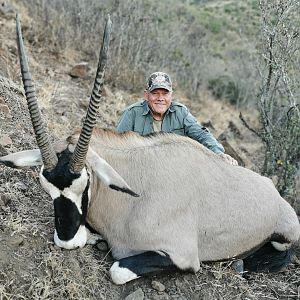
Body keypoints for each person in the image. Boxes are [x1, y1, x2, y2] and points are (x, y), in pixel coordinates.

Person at [117, 72, 238, 165]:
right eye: (155, 93)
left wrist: (219, 153)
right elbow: (118, 146)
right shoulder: (131, 113)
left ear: (171, 95)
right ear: (146, 95)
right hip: (142, 168)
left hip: (174, 169)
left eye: (165, 94)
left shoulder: (180, 112)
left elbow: (201, 134)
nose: (160, 98)